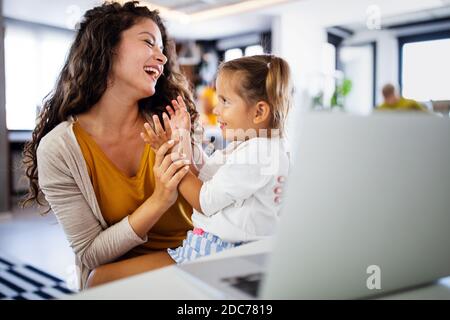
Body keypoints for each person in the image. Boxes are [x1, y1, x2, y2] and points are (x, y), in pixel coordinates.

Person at [22, 1, 283, 290]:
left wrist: (185, 146)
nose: (162, 58)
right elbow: (90, 253)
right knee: (98, 281)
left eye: (162, 49)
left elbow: (214, 193)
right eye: (149, 43)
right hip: (134, 273)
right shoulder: (59, 150)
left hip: (198, 253)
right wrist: (160, 200)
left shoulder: (171, 121)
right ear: (106, 48)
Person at [141, 55, 292, 264]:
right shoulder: (250, 146)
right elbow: (198, 178)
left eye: (225, 101)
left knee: (101, 278)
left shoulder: (259, 154)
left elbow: (202, 200)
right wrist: (182, 136)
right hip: (210, 245)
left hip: (221, 253)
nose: (215, 109)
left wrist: (170, 153)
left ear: (259, 112)